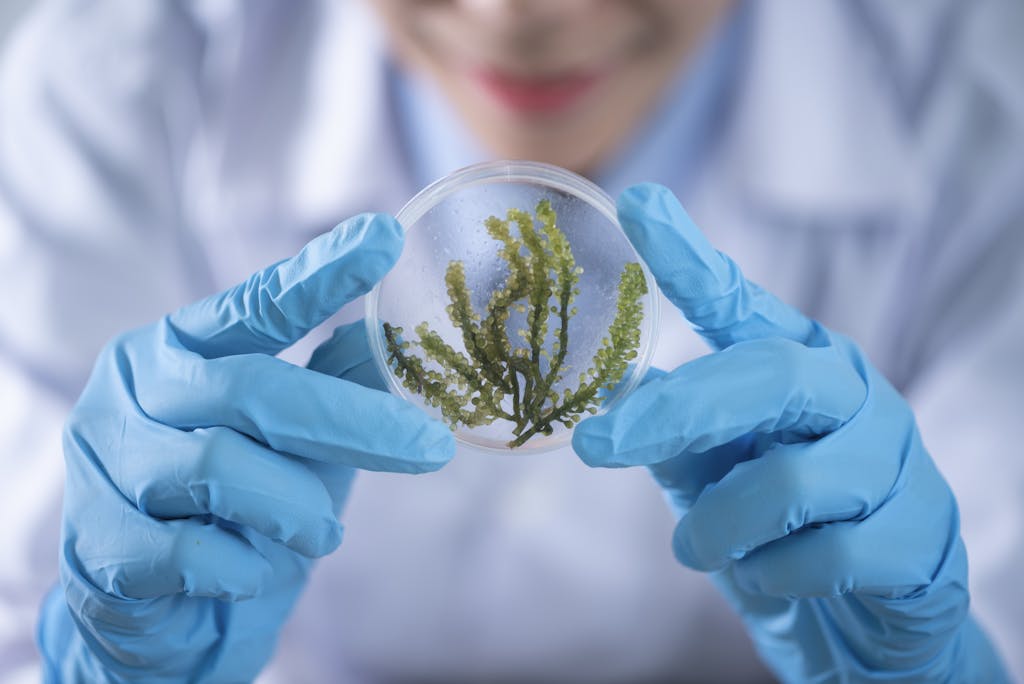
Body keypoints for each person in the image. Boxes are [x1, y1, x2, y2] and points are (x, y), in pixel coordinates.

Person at [0, 0, 1021, 681]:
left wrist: (949, 669)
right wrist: (95, 664)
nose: (517, 18)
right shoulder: (115, 82)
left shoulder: (984, 107)